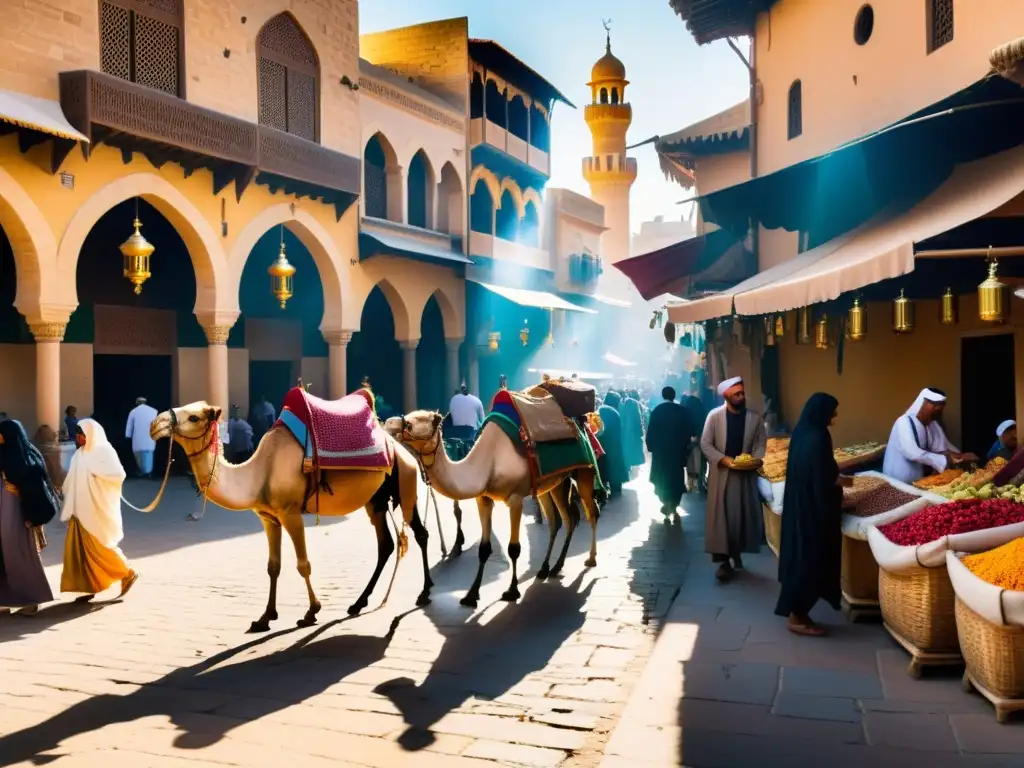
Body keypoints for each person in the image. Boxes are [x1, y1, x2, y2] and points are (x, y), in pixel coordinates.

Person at [775, 393, 851, 636]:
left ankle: (800, 613)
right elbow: (823, 477)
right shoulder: (818, 437)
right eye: (833, 411)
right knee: (810, 562)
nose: (836, 417)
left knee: (801, 559)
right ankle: (797, 617)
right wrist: (843, 483)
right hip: (813, 511)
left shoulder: (801, 431)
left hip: (800, 506)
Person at [60, 420, 139, 601]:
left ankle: (127, 572)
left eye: (81, 434)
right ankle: (90, 585)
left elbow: (118, 475)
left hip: (96, 506)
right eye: (77, 434)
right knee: (83, 551)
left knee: (99, 547)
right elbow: (71, 478)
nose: (78, 437)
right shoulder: (79, 454)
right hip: (78, 508)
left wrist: (97, 475)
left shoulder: (103, 451)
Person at [700, 377, 767, 582]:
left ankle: (736, 553)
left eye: (742, 393)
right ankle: (723, 562)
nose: (741, 397)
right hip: (722, 475)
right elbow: (706, 444)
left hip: (745, 475)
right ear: (726, 396)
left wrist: (754, 459)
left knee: (741, 517)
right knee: (722, 518)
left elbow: (760, 443)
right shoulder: (714, 417)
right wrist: (724, 460)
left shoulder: (754, 419)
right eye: (736, 394)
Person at [0, 419, 59, 615]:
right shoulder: (4, 454)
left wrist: (32, 516)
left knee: (19, 555)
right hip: (3, 513)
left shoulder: (28, 458)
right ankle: (5, 599)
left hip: (18, 516)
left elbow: (37, 490)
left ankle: (32, 599)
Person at [881, 388, 977, 484]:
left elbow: (944, 447)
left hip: (918, 482)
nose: (938, 409)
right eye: (934, 405)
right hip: (896, 481)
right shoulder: (903, 422)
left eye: (940, 407)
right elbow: (912, 453)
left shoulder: (933, 425)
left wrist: (961, 457)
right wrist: (948, 459)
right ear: (923, 403)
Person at [646, 386, 693, 514]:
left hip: (660, 452)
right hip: (677, 451)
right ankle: (674, 502)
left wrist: (650, 446)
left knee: (662, 477)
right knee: (676, 477)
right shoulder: (682, 411)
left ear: (663, 395)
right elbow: (688, 430)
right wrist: (686, 448)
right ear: (674, 395)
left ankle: (665, 501)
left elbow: (650, 431)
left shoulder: (656, 411)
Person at [597, 391, 628, 497]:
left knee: (604, 469)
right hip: (614, 445)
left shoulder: (600, 409)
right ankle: (615, 487)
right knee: (615, 467)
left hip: (602, 444)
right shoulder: (613, 412)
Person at [125, 397, 159, 479]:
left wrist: (128, 435)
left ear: (137, 402)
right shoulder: (154, 411)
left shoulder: (133, 411)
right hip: (150, 437)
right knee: (149, 454)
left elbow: (129, 425)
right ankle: (148, 471)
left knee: (139, 455)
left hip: (138, 438)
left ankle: (143, 471)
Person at [619, 390, 645, 474]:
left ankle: (626, 467)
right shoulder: (634, 404)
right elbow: (638, 420)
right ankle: (629, 468)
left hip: (622, 433)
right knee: (630, 451)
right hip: (631, 434)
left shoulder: (619, 404)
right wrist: (640, 432)